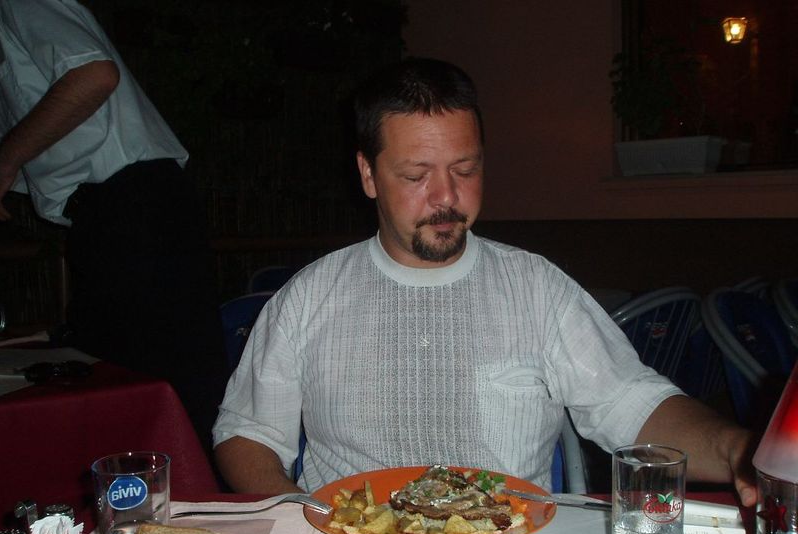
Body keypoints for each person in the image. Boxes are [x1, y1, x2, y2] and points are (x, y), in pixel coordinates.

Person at [213, 57, 757, 506]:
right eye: (416, 175)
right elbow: (248, 433)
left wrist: (737, 449)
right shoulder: (309, 297)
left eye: (466, 169)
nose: (446, 197)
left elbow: (630, 403)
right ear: (368, 175)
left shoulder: (536, 288)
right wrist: (303, 517)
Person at [0, 0, 228, 453]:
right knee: (122, 386)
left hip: (135, 204)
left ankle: (195, 492)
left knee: (163, 391)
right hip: (107, 213)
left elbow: (94, 76)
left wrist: (5, 161)